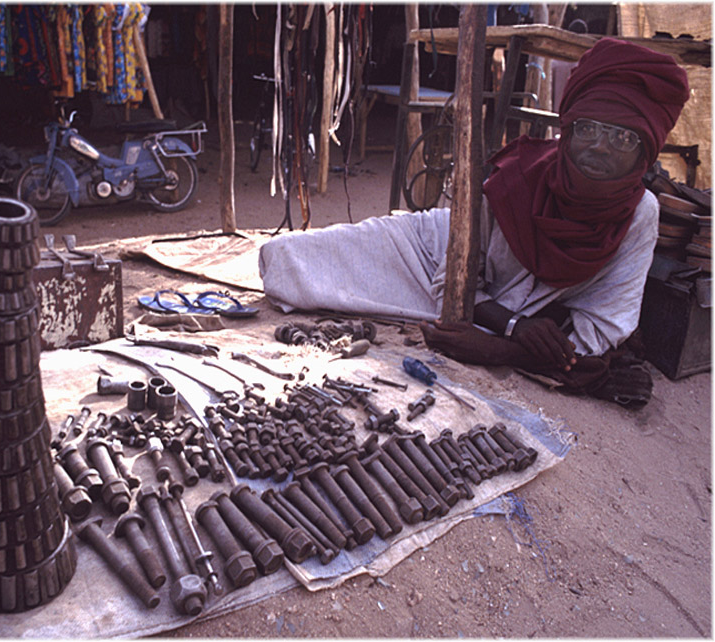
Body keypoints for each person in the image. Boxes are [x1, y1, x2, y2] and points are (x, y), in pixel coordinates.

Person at [259, 38, 689, 406]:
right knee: (283, 262)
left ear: (645, 151)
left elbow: (603, 327)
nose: (600, 148)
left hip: (505, 320)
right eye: (589, 130)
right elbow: (454, 279)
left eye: (622, 137)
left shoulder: (640, 214)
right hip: (438, 254)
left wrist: (498, 350)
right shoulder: (518, 177)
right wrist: (515, 328)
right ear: (568, 130)